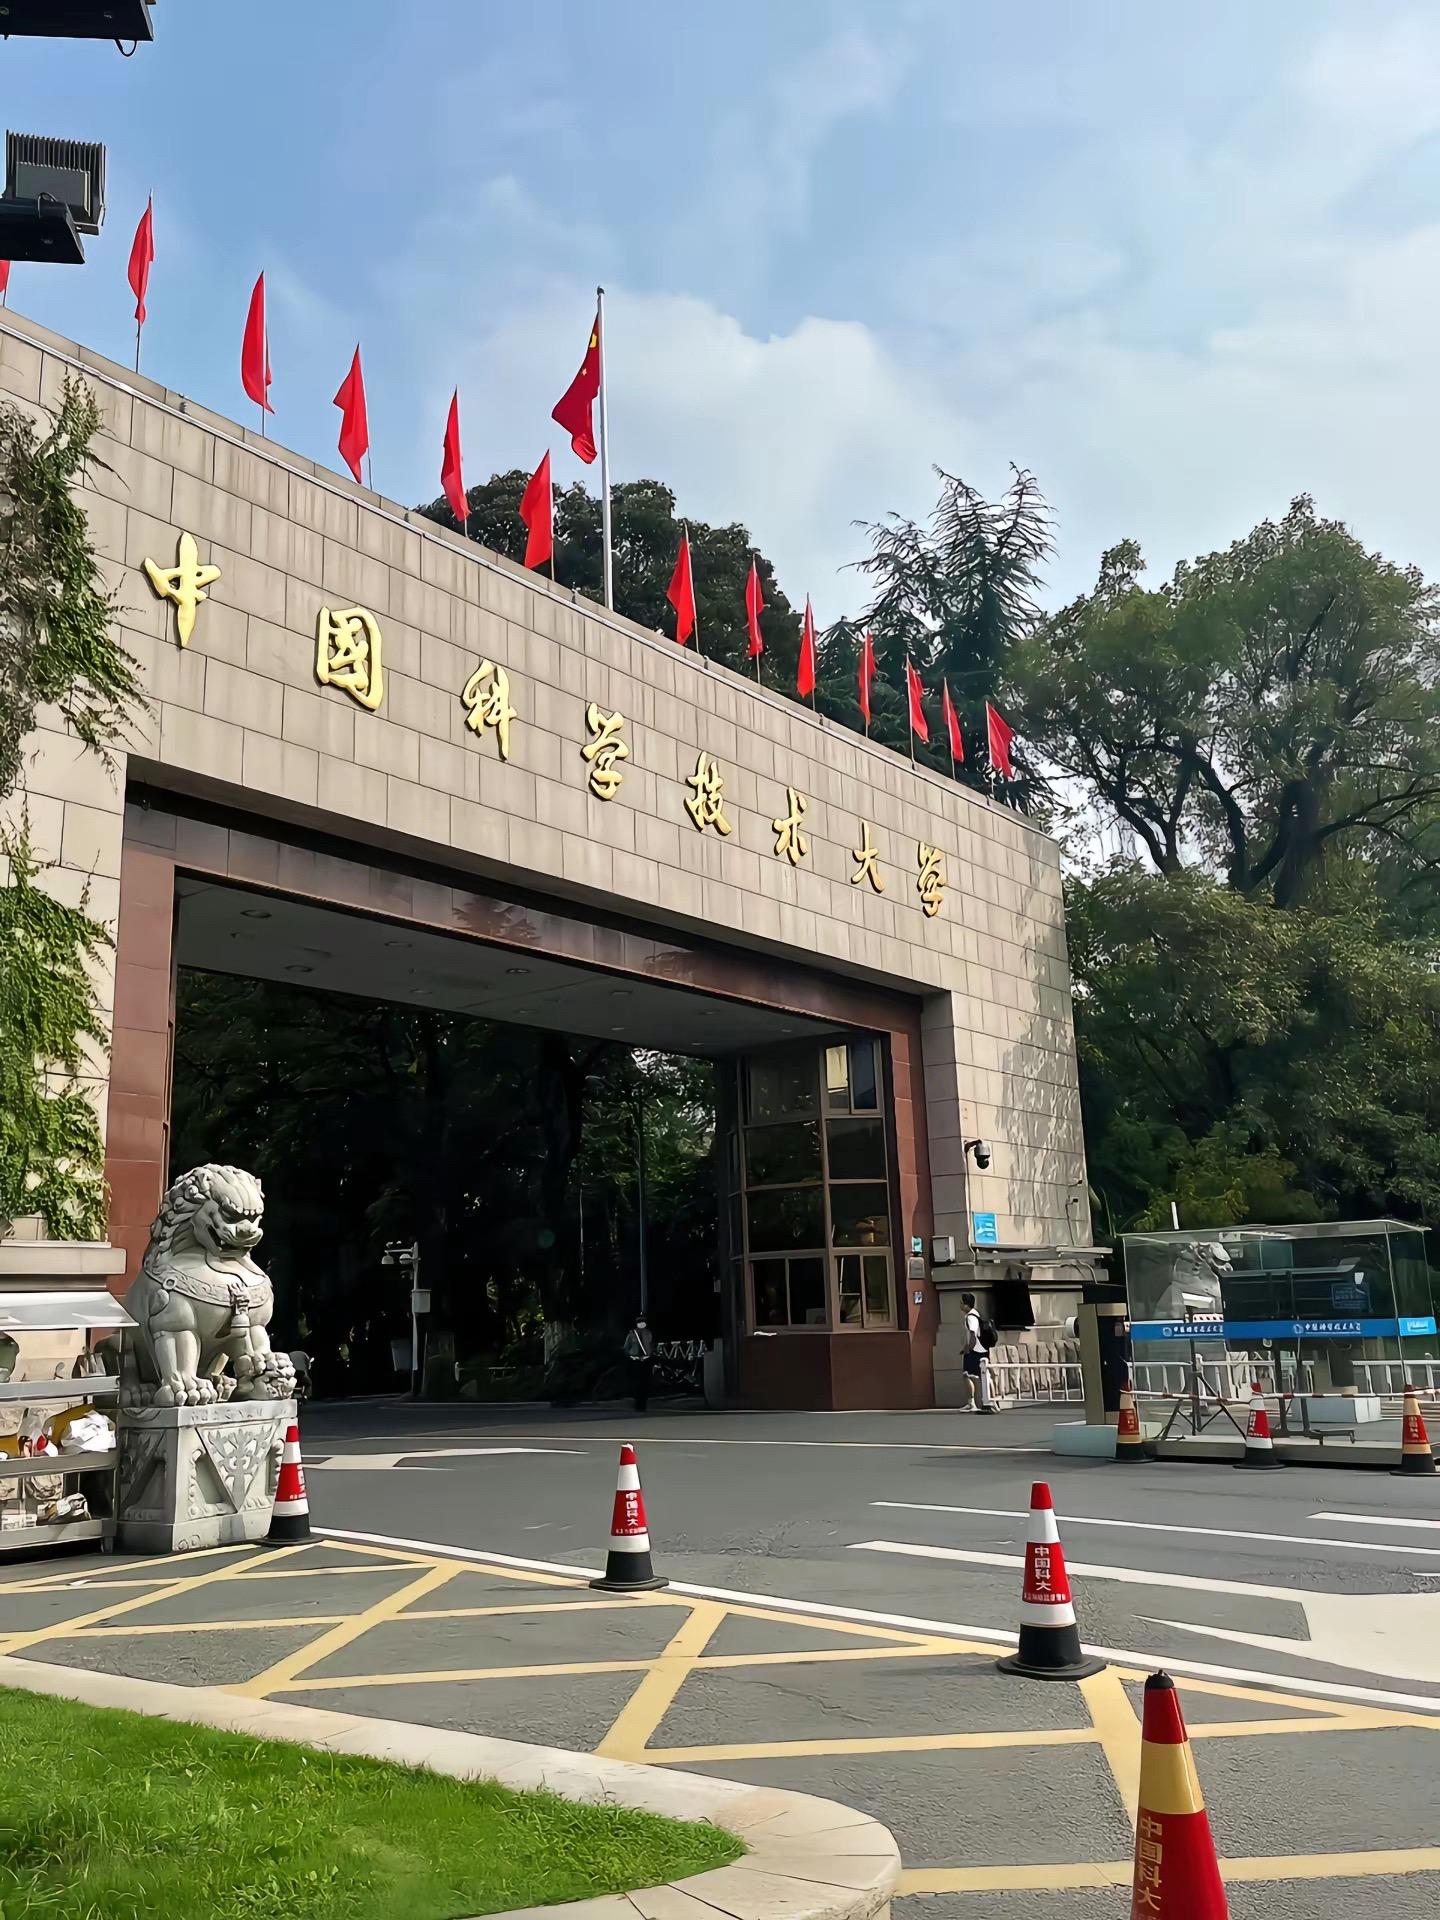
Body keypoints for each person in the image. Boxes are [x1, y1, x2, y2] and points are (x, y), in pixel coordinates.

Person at [960, 1290, 996, 1413]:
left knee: (967, 1375)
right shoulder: (976, 1314)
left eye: (961, 1303)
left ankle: (972, 1403)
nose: (960, 1306)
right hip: (982, 1349)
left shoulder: (970, 1317)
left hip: (976, 1350)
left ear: (966, 1304)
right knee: (984, 1375)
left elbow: (973, 1334)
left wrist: (968, 1348)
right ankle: (992, 1401)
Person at [624, 1314, 656, 1413]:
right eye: (640, 1322)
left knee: (645, 1383)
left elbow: (652, 1345)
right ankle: (637, 1405)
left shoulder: (648, 1333)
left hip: (646, 1360)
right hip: (636, 1360)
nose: (642, 1324)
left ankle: (643, 1405)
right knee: (637, 1384)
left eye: (643, 1322)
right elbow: (626, 1347)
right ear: (637, 1324)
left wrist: (650, 1355)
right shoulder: (631, 1334)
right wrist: (631, 1356)